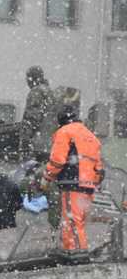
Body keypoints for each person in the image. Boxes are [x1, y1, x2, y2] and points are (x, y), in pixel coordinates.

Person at [41, 106, 104, 258]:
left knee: (71, 219)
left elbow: (58, 160)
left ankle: (76, 252)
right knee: (79, 220)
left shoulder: (64, 131)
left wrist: (46, 178)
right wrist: (93, 181)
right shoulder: (90, 135)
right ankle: (75, 250)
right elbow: (99, 166)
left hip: (72, 181)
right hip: (88, 185)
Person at [19, 66, 56, 160]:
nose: (27, 81)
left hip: (37, 144)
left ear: (32, 78)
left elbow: (32, 118)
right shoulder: (50, 92)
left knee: (29, 171)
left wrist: (25, 141)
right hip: (50, 144)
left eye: (28, 78)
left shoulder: (36, 92)